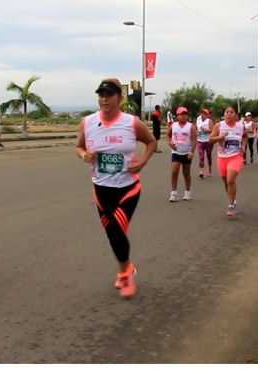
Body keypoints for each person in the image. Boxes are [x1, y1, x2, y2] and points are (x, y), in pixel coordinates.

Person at [75, 78, 157, 298]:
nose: (104, 99)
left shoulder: (132, 123)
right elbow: (78, 146)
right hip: (101, 189)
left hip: (127, 187)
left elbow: (151, 141)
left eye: (109, 95)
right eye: (101, 95)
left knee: (115, 230)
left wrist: (143, 161)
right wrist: (84, 155)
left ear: (119, 98)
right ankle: (125, 269)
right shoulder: (87, 122)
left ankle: (126, 275)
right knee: (113, 235)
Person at [210, 106, 246, 217]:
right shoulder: (219, 125)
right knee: (226, 182)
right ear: (224, 115)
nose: (229, 114)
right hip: (222, 157)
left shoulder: (240, 126)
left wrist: (243, 146)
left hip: (236, 156)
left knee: (231, 180)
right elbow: (211, 139)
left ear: (236, 115)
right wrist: (220, 137)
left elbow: (245, 137)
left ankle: (231, 205)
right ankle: (233, 200)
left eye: (232, 112)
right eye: (227, 112)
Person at [167, 107, 197, 202]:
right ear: (177, 116)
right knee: (174, 172)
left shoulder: (190, 126)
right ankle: (174, 193)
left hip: (186, 153)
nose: (183, 116)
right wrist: (170, 143)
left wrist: (191, 151)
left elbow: (193, 140)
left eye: (185, 114)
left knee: (186, 173)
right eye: (181, 114)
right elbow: (168, 135)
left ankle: (187, 192)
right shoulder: (173, 125)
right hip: (176, 151)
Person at [195, 108, 214, 178]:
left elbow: (213, 130)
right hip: (200, 141)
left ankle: (209, 168)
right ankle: (202, 171)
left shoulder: (209, 121)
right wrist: (196, 133)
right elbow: (195, 130)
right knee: (201, 156)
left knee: (209, 156)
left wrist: (207, 130)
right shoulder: (198, 121)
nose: (203, 115)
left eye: (205, 114)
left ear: (207, 115)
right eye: (202, 113)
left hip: (208, 141)